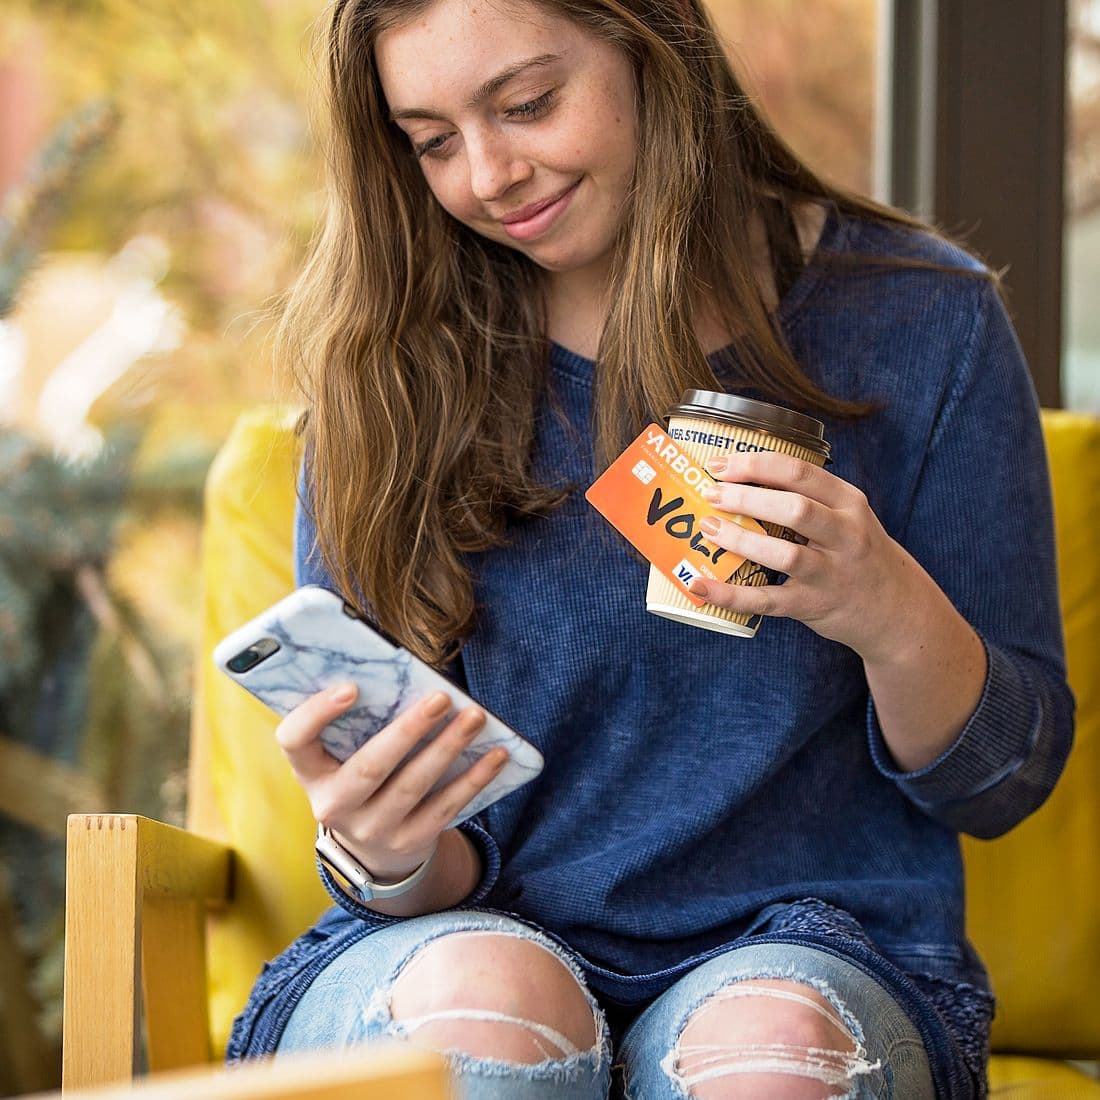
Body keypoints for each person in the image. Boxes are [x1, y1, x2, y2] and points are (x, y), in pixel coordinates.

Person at [226, 0, 1074, 1097]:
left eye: (527, 105)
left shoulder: (921, 320)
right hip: (461, 939)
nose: (488, 174)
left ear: (652, 52)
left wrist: (883, 605)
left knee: (772, 1054)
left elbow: (999, 784)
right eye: (431, 140)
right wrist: (381, 852)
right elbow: (436, 877)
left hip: (818, 949)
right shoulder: (389, 368)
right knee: (494, 1007)